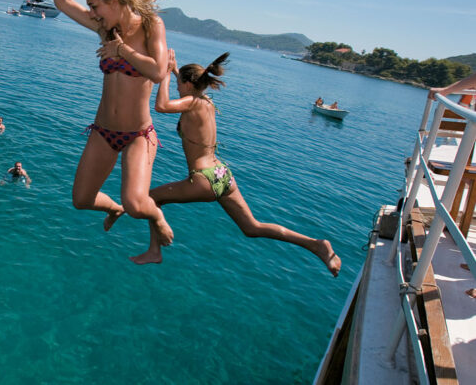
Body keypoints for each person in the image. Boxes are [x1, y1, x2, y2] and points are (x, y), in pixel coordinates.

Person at [141, 49, 342, 275]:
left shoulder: (191, 103)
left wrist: (166, 74)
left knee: (150, 198)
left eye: (179, 84)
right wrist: (176, 69)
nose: (177, 87)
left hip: (203, 180)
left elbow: (161, 106)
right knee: (252, 227)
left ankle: (154, 250)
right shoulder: (205, 101)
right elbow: (190, 87)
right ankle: (316, 245)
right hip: (222, 175)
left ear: (188, 84)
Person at [38, 0, 172, 246]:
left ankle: (157, 216)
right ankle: (112, 209)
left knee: (137, 204)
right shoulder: (104, 27)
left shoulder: (152, 24)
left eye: (96, 5)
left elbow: (156, 71)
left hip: (138, 134)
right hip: (103, 131)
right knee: (82, 199)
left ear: (115, 0)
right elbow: (64, 2)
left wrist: (123, 50)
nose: (93, 13)